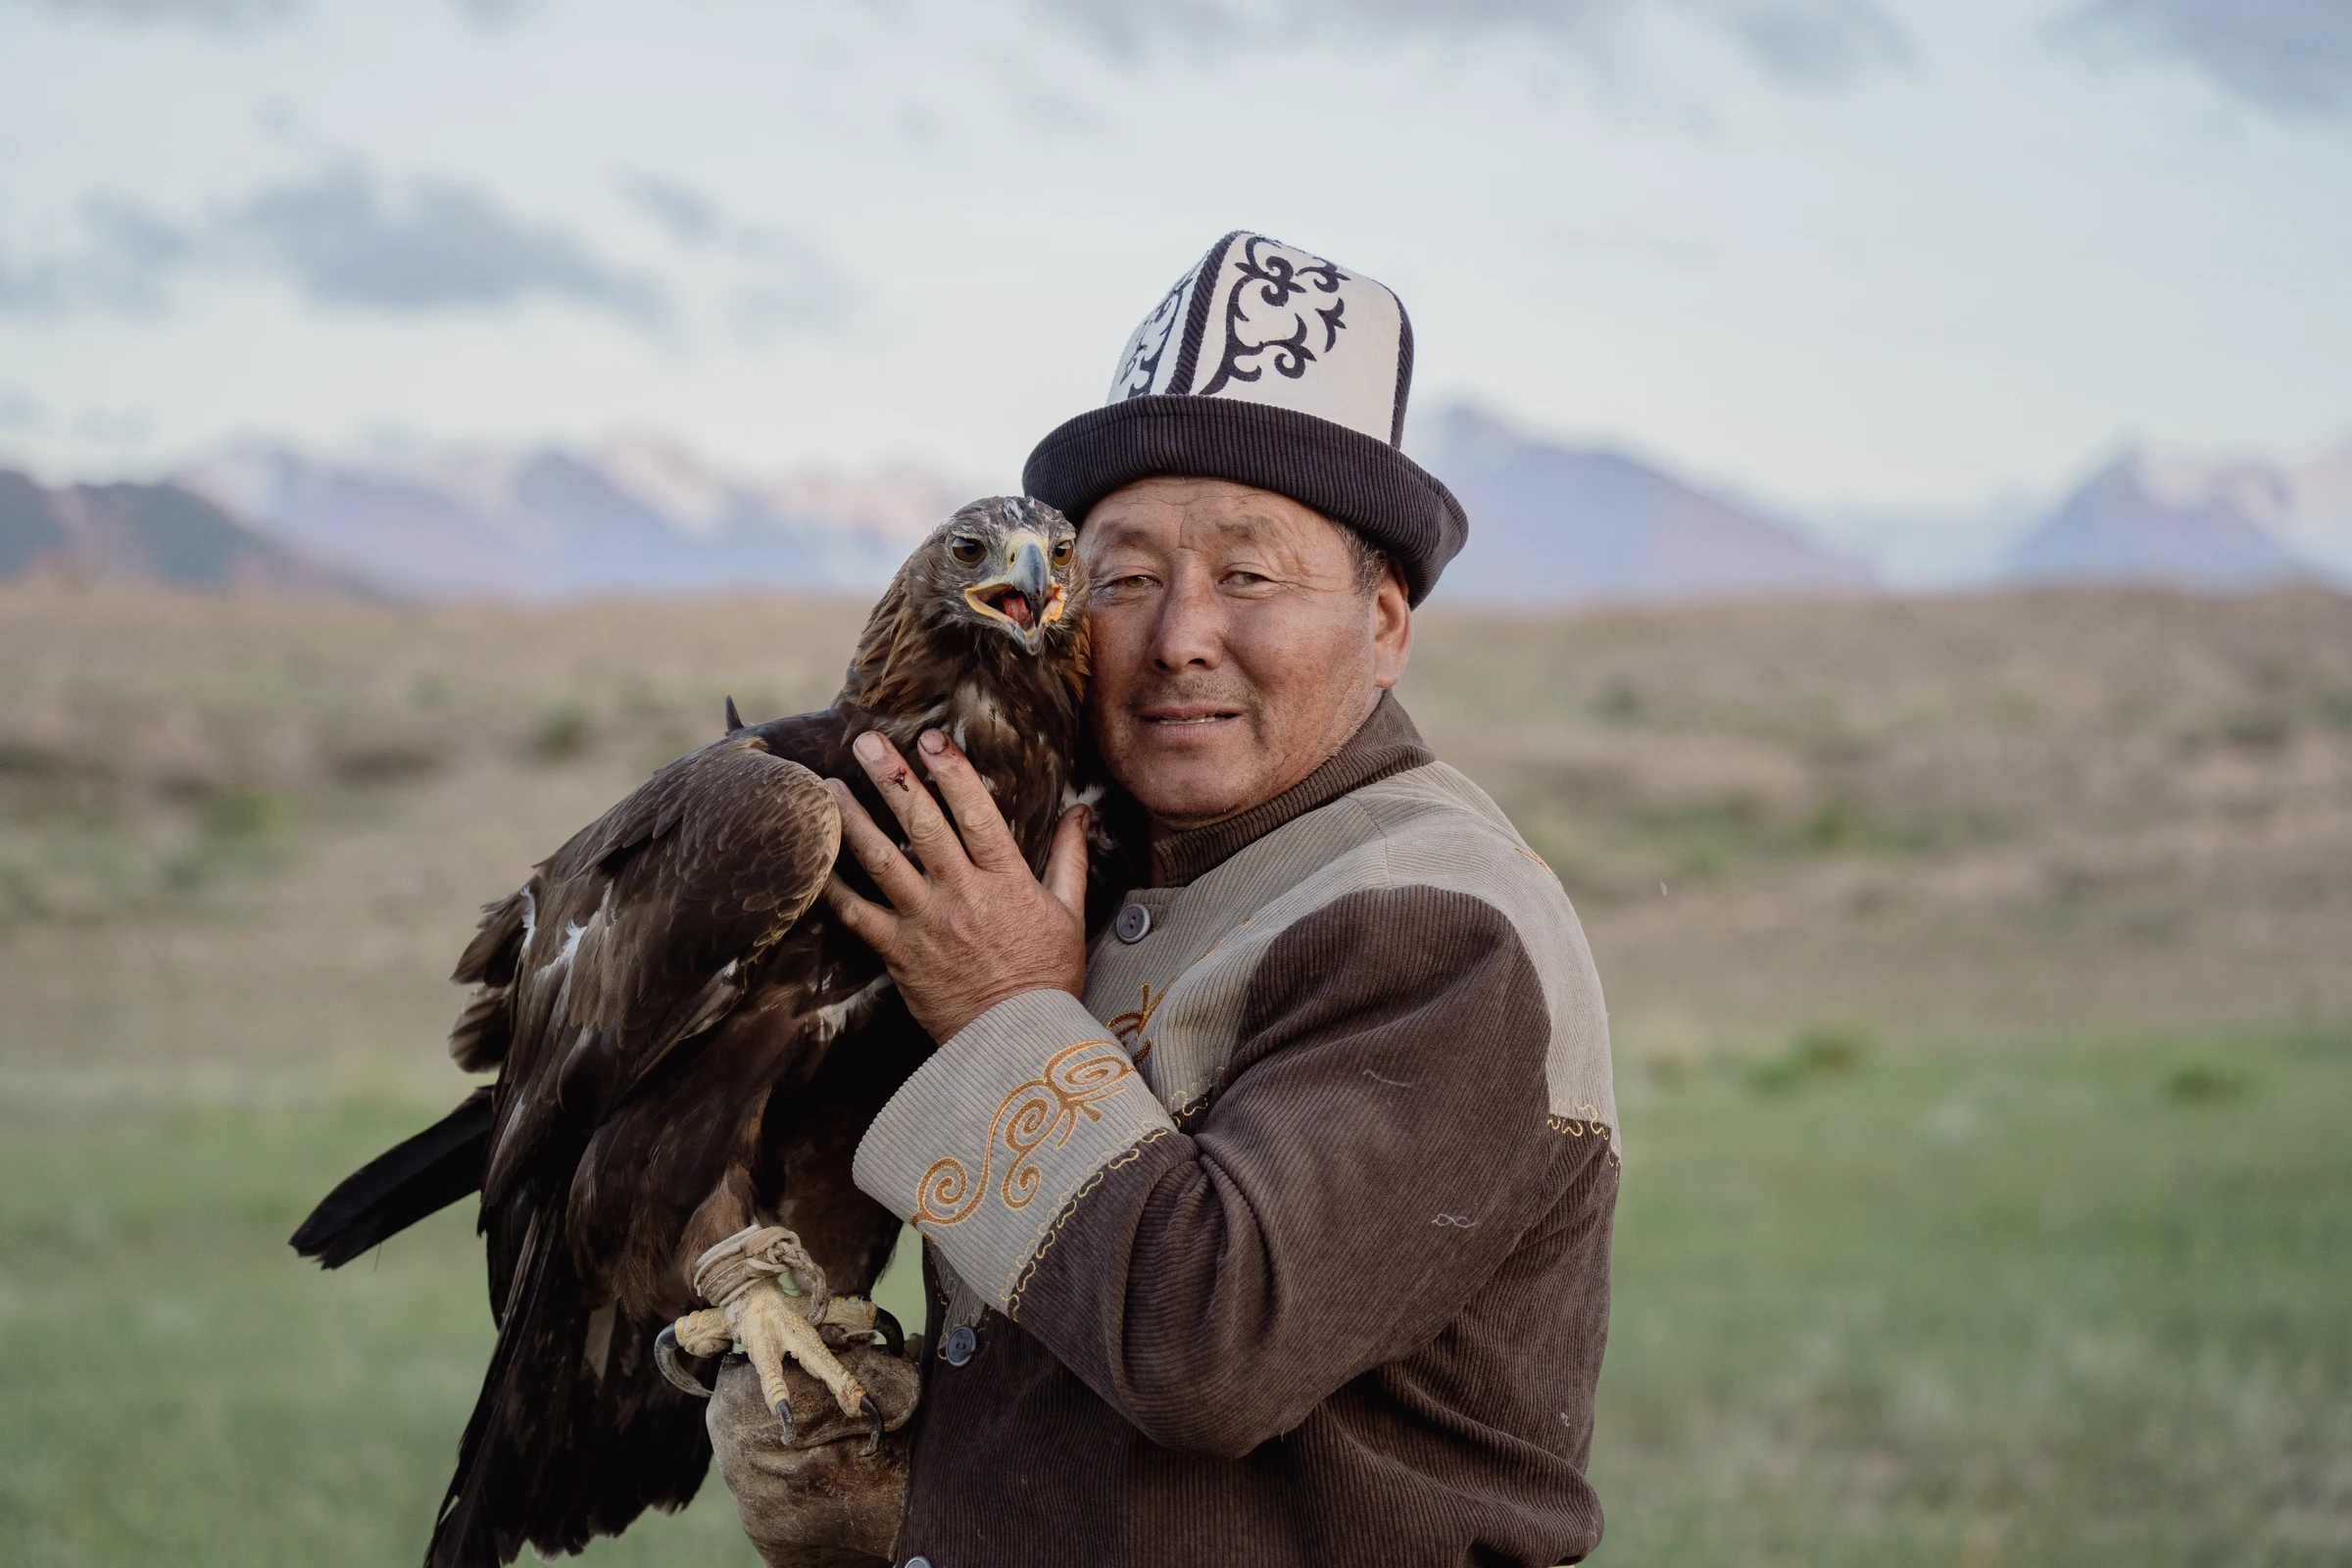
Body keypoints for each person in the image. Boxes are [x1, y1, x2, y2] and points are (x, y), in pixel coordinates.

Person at [708, 231, 1619, 1568]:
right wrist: (913, 1505)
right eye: (1125, 578)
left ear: (1385, 625)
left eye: (1250, 575)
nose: (1180, 631)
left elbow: (1212, 1347)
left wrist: (1005, 1010)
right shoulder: (1104, 865)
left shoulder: (1436, 923)